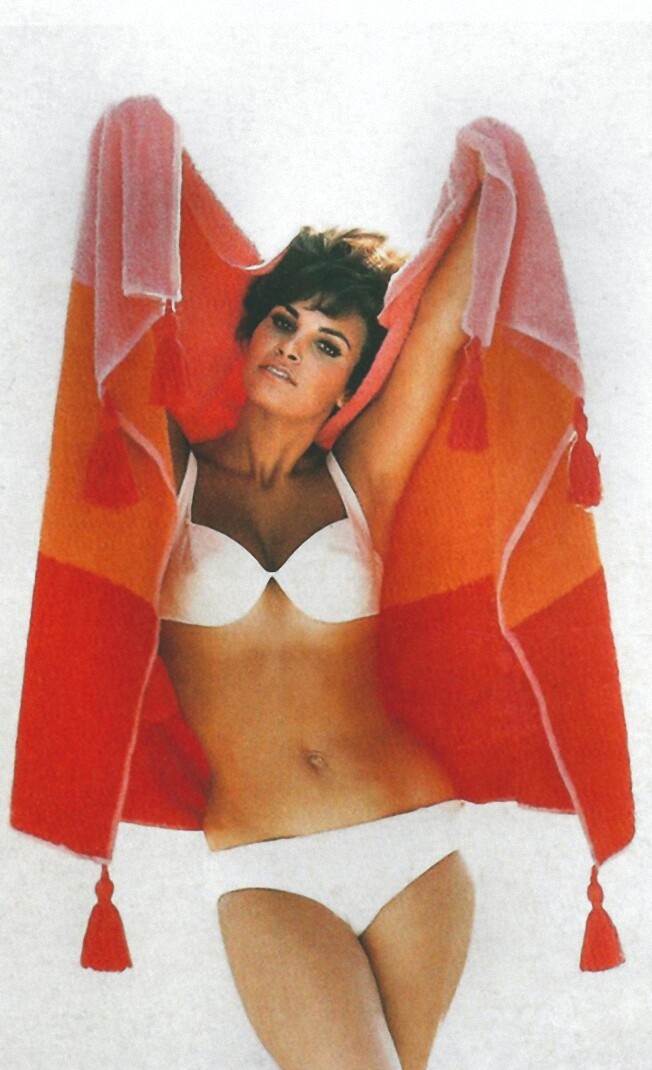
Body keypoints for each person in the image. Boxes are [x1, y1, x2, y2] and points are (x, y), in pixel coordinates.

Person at [157, 196, 480, 1070]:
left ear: (352, 383)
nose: (294, 347)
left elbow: (440, 329)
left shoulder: (359, 480)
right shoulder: (171, 473)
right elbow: (128, 322)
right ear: (252, 332)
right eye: (284, 321)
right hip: (267, 868)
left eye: (329, 344)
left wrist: (493, 171)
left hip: (413, 843)